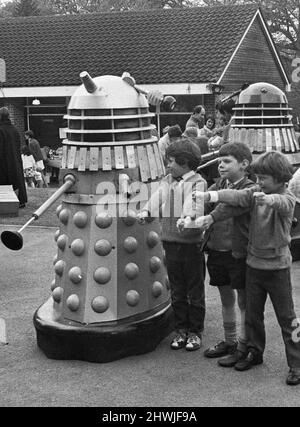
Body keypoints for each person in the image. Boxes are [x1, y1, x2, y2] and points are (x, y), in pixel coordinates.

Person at [194, 151, 300, 386]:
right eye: (258, 177)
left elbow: (282, 204)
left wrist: (269, 199)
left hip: (278, 269)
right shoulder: (254, 193)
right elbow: (236, 198)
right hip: (254, 265)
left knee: (289, 319)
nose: (259, 182)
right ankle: (255, 352)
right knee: (252, 316)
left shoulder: (287, 196)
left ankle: (297, 363)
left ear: (281, 178)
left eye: (264, 178)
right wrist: (210, 199)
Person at [138, 137, 207, 351]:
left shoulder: (198, 182)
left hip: (190, 244)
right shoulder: (167, 180)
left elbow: (193, 202)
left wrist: (186, 218)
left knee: (194, 290)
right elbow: (157, 198)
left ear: (185, 163)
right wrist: (147, 211)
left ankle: (195, 331)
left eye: (171, 162)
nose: (168, 165)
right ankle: (180, 329)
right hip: (170, 243)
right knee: (177, 289)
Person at [199, 143, 256, 367]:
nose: (221, 166)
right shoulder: (220, 183)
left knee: (243, 301)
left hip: (238, 253)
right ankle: (231, 341)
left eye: (227, 161)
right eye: (220, 161)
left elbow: (231, 203)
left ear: (244, 164)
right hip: (217, 249)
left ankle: (244, 345)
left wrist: (211, 211)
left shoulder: (250, 187)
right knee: (225, 298)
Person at [0, 107, 27, 208]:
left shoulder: (1, 130)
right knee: (16, 179)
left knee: (4, 180)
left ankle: (6, 200)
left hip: (3, 160)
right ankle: (21, 200)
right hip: (15, 159)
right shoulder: (14, 129)